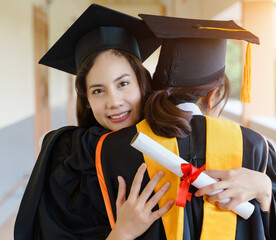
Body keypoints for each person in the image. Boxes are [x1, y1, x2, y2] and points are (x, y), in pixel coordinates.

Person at [95, 14, 276, 240]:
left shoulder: (112, 147)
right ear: (214, 95)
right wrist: (265, 189)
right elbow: (269, 229)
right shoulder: (254, 145)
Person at [14, 4, 173, 240]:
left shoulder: (174, 140)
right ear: (86, 100)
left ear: (142, 83)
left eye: (123, 84)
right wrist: (122, 234)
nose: (114, 101)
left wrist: (250, 183)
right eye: (98, 91)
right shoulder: (69, 160)